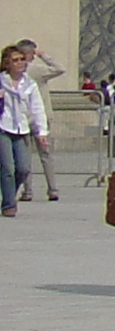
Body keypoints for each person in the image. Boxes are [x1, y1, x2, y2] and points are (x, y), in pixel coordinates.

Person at [0, 41, 51, 217]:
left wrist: (42, 131)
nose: (21, 63)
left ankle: (8, 195)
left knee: (22, 169)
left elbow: (37, 108)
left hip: (21, 129)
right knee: (7, 168)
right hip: (3, 128)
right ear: (7, 64)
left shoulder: (29, 84)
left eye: (22, 59)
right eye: (16, 60)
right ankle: (8, 205)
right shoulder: (1, 81)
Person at [14, 38, 63, 201]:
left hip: (24, 118)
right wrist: (45, 56)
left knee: (24, 156)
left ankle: (28, 191)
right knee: (46, 155)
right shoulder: (38, 70)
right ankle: (53, 189)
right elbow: (59, 69)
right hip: (42, 117)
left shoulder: (17, 72)